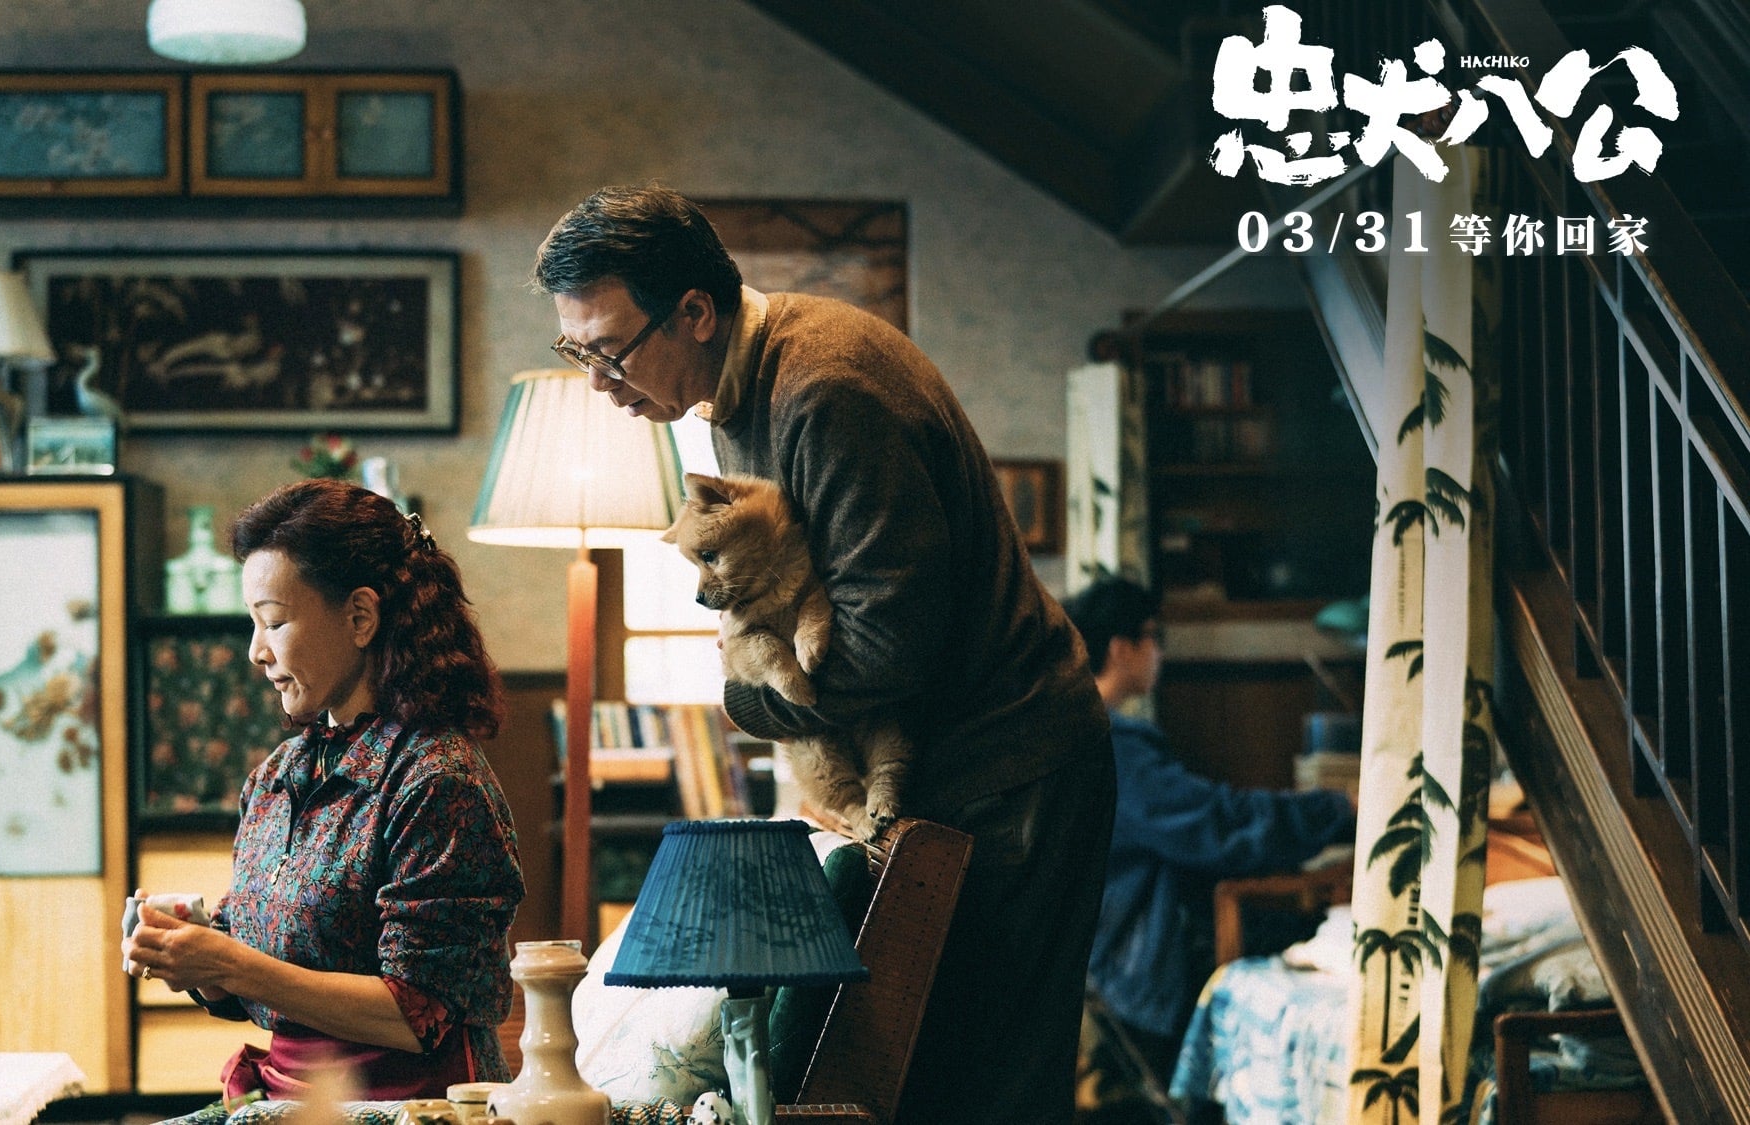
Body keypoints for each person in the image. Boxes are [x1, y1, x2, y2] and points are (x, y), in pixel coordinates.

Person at [532, 184, 1116, 1123]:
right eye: (577, 351)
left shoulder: (827, 388)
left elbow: (886, 647)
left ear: (695, 311)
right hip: (933, 767)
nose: (598, 380)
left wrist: (744, 702)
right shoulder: (732, 394)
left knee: (989, 1084)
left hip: (1011, 763)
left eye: (609, 350)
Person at [121, 479, 523, 1108]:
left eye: (274, 622)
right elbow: (259, 969)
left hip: (414, 1108)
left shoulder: (437, 780)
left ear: (360, 617)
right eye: (253, 624)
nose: (256, 652)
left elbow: (418, 1012)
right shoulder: (279, 775)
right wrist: (188, 945)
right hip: (295, 1103)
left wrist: (226, 963)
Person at [1064, 577, 1355, 1088]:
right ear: (1121, 647)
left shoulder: (1081, 735)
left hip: (1110, 965)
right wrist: (1339, 808)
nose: (1160, 652)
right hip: (1139, 976)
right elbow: (1219, 824)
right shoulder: (1111, 745)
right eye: (1154, 636)